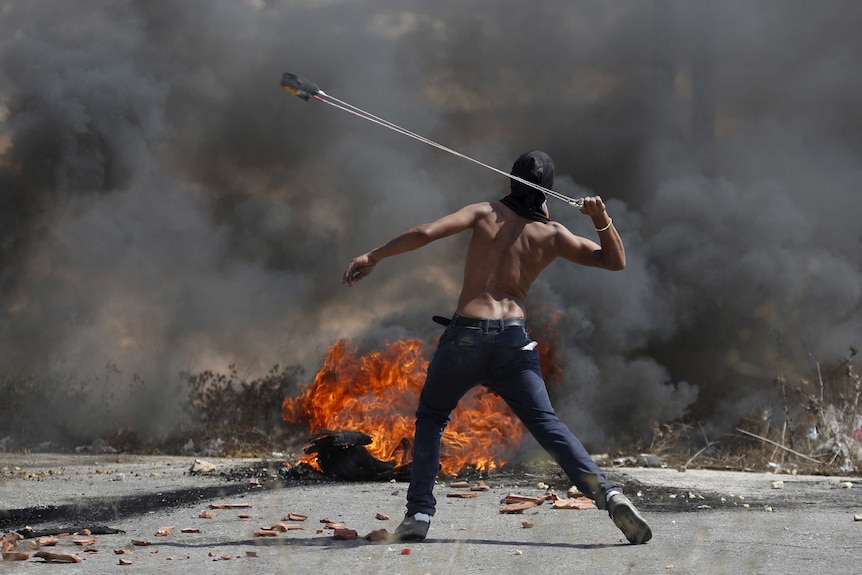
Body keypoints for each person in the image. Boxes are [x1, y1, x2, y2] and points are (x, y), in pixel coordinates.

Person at [342, 150, 652, 545]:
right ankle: (608, 494)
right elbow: (615, 262)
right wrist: (600, 220)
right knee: (548, 426)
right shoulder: (552, 234)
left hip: (465, 337)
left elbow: (425, 232)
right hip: (513, 343)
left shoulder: (485, 212)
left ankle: (419, 513)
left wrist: (374, 255)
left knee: (433, 418)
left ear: (510, 181)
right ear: (547, 191)